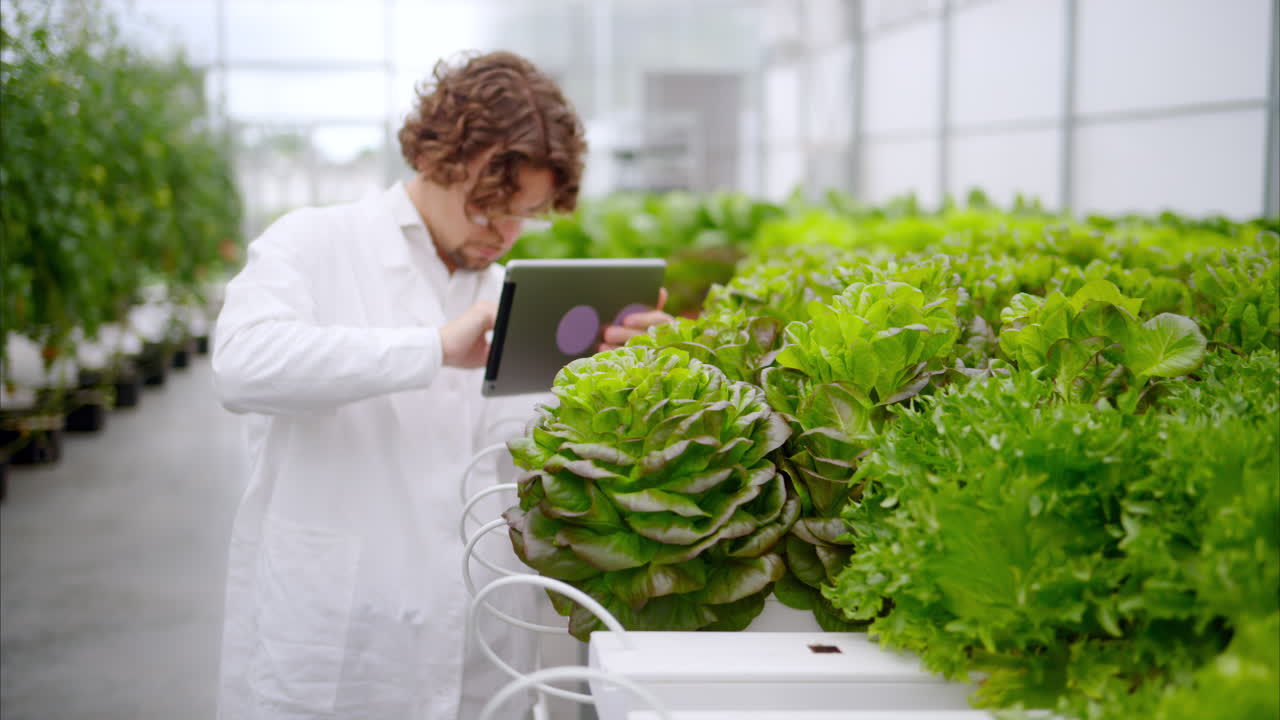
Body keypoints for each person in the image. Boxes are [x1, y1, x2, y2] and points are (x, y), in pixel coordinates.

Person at [211, 51, 672, 720]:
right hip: (344, 646)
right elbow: (242, 364)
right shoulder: (314, 244)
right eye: (491, 210)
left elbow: (523, 456)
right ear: (440, 156)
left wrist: (622, 378)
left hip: (478, 643)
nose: (506, 234)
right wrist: (429, 350)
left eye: (528, 215)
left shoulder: (507, 300)